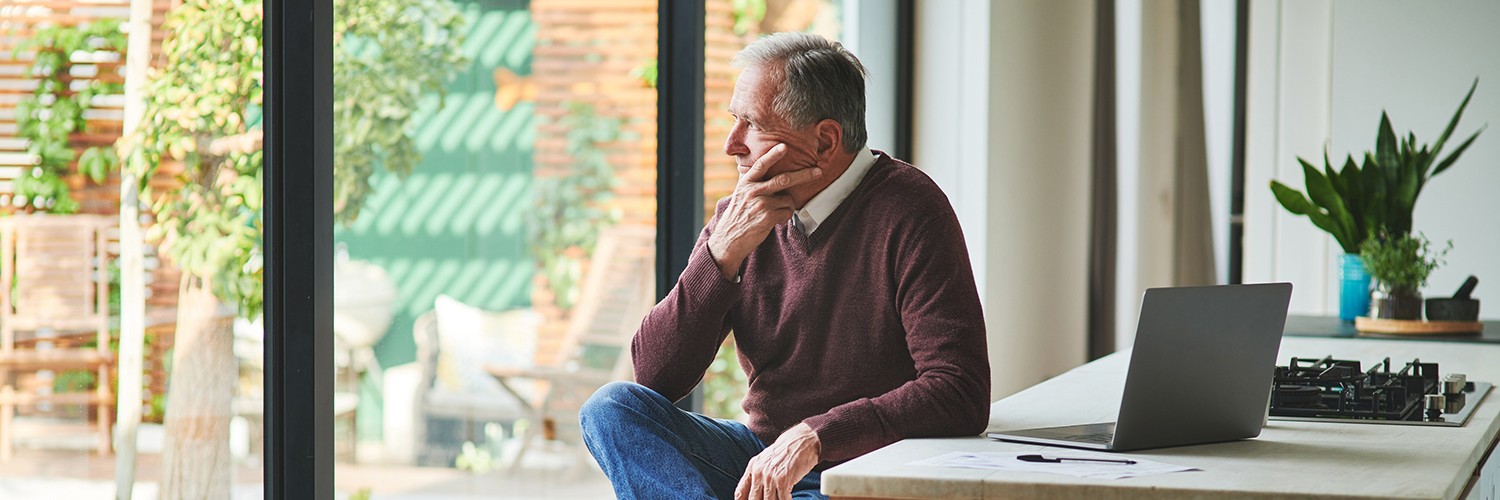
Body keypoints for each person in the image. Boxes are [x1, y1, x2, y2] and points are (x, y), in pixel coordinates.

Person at [579, 32, 989, 500]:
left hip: (863, 470)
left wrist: (817, 436)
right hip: (760, 461)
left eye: (751, 124)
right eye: (734, 120)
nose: (732, 145)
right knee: (610, 408)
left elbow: (960, 390)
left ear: (825, 140)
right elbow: (654, 377)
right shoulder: (739, 218)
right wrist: (722, 255)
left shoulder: (911, 209)